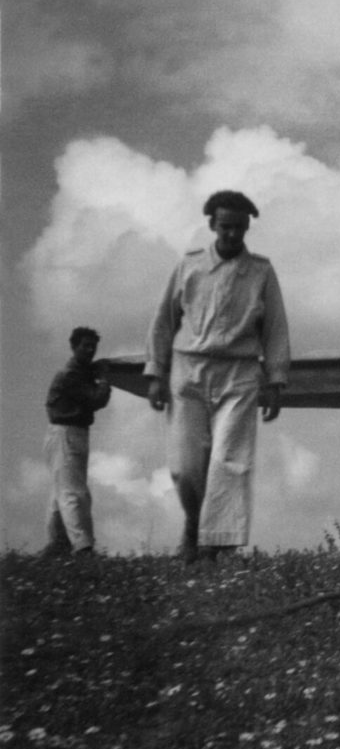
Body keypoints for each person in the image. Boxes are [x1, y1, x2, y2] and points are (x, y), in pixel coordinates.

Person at [146, 190, 290, 562]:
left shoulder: (261, 271)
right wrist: (155, 373)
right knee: (184, 466)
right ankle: (196, 524)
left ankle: (216, 545)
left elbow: (275, 329)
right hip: (188, 369)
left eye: (240, 228)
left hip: (239, 372)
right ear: (212, 225)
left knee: (230, 459)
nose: (232, 235)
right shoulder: (189, 266)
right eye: (226, 227)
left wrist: (275, 382)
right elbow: (164, 322)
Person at [42, 326, 112, 557]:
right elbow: (96, 400)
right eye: (85, 346)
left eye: (93, 346)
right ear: (74, 347)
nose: (90, 350)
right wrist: (104, 379)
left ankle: (57, 544)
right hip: (66, 433)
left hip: (73, 433)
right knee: (73, 492)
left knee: (60, 492)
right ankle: (83, 547)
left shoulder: (80, 373)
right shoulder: (71, 374)